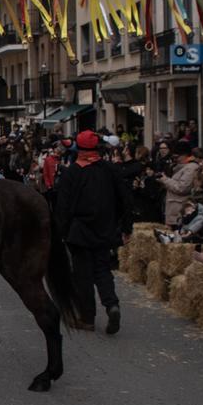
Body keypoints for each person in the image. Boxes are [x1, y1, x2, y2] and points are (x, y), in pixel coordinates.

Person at [54, 130, 128, 334]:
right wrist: (124, 225)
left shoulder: (72, 172)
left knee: (82, 275)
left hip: (80, 231)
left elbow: (63, 206)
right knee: (103, 270)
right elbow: (124, 199)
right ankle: (111, 304)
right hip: (105, 228)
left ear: (79, 148)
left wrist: (61, 231)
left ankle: (87, 318)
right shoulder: (110, 169)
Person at [158, 138, 202, 226]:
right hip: (174, 210)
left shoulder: (191, 168)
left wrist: (165, 180)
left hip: (179, 211)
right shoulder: (180, 166)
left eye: (176, 157)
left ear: (184, 155)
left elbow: (182, 188)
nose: (175, 160)